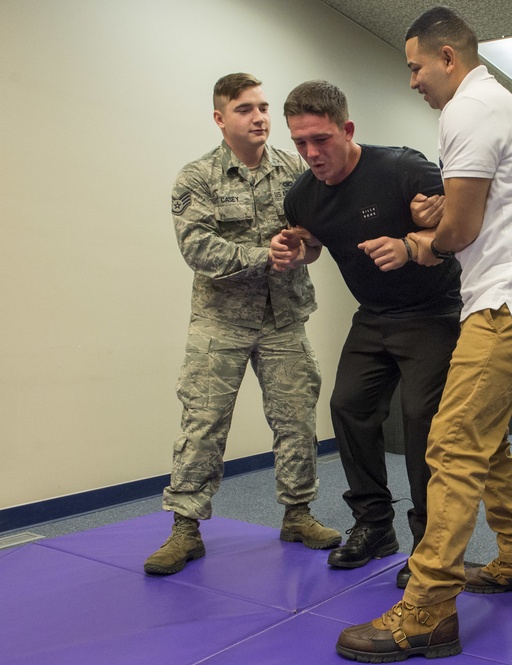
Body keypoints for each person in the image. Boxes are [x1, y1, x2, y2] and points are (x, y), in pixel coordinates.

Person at [334, 7, 512, 661]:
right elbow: (480, 208)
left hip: (510, 301)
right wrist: (444, 211)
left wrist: (419, 240)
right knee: (485, 437)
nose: (411, 79)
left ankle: (429, 609)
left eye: (414, 66)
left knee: (450, 445)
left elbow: (459, 235)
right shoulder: (490, 104)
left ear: (447, 58)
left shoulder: (468, 110)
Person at [143, 73, 340, 576]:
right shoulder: (197, 177)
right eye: (246, 109)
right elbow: (197, 249)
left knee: (297, 419)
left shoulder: (296, 169)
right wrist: (264, 254)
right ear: (220, 119)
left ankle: (298, 513)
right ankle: (185, 528)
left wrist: (305, 247)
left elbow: (316, 236)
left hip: (284, 318)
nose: (260, 118)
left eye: (263, 107)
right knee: (203, 425)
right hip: (220, 323)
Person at [268, 80, 461, 589]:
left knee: (422, 420)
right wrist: (296, 250)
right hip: (373, 314)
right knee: (348, 407)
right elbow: (312, 244)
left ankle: (429, 544)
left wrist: (410, 241)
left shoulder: (403, 168)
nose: (312, 153)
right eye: (300, 143)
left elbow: (458, 229)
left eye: (322, 139)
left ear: (347, 129)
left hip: (432, 310)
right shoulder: (302, 196)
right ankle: (375, 526)